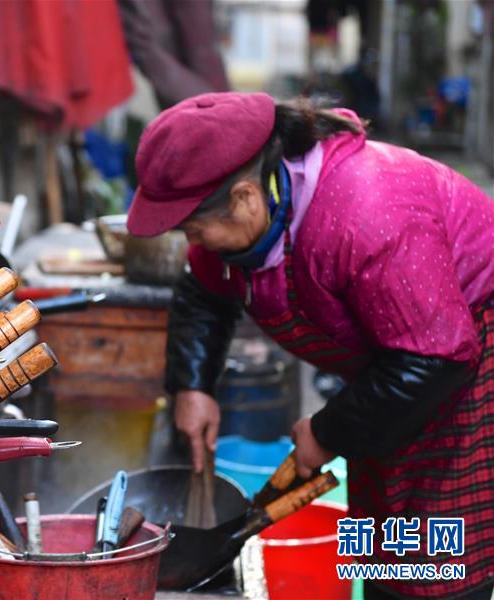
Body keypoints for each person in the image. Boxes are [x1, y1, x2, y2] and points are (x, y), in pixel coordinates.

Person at [127, 92, 493, 599]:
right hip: (396, 367)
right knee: (389, 545)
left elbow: (434, 356)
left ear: (245, 198)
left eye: (195, 227)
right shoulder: (250, 215)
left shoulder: (367, 209)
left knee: (437, 557)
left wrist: (327, 431)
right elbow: (205, 291)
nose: (196, 241)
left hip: (462, 365)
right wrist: (191, 385)